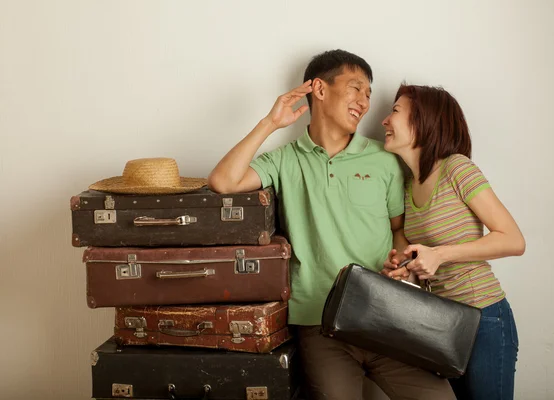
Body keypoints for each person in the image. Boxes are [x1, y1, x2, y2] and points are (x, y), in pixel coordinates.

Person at [208, 50, 455, 400]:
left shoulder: (384, 160)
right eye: (356, 88)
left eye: (369, 94)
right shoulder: (284, 160)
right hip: (319, 324)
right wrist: (269, 123)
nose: (365, 102)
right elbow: (223, 181)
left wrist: (401, 262)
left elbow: (398, 228)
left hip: (386, 316)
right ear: (320, 90)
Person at [381, 83, 526, 400]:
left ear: (423, 120)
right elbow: (426, 259)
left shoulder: (457, 168)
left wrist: (440, 254)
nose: (384, 121)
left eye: (394, 112)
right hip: (443, 325)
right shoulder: (407, 186)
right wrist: (408, 268)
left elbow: (514, 240)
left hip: (484, 318)